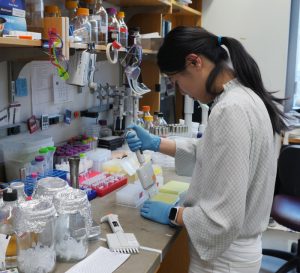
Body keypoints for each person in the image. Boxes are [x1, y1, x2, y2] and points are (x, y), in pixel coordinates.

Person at [126, 26, 287, 273]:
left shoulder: (230, 110)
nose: (180, 89)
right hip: (235, 253)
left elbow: (223, 220)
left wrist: (174, 213)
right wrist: (157, 143)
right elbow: (211, 151)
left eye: (176, 80)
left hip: (223, 259)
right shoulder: (244, 97)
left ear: (194, 62)